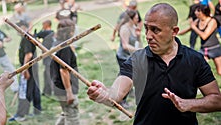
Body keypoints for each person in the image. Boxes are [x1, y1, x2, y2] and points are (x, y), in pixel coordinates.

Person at [87, 3, 221, 125]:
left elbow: (216, 100)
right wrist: (103, 94)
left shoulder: (195, 59)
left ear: (174, 31)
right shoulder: (137, 60)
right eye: (146, 28)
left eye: (155, 30)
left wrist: (188, 104)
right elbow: (116, 94)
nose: (148, 35)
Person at [9, 21, 42, 122]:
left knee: (24, 91)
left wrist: (24, 69)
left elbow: (29, 55)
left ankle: (21, 114)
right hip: (32, 67)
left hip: (28, 68)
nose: (18, 31)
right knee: (34, 88)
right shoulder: (29, 37)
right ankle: (37, 110)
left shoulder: (26, 39)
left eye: (19, 28)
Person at [50, 19, 80, 125]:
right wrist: (69, 93)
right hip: (65, 88)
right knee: (72, 118)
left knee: (66, 113)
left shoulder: (57, 43)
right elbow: (63, 71)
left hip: (58, 87)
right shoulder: (64, 47)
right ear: (70, 32)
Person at [181, 4, 221, 75]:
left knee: (220, 71)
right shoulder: (198, 20)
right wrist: (176, 33)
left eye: (198, 11)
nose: (196, 13)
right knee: (195, 68)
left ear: (203, 12)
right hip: (203, 49)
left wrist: (194, 27)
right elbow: (189, 29)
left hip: (214, 49)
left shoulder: (212, 21)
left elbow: (204, 36)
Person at [114, 10, 141, 108]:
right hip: (123, 56)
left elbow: (137, 43)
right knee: (125, 76)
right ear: (131, 18)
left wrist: (138, 36)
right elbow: (125, 46)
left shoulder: (133, 27)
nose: (138, 20)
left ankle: (121, 93)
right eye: (136, 18)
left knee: (127, 76)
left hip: (130, 56)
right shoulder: (124, 29)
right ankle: (121, 100)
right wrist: (138, 50)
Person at [34, 20, 55, 96]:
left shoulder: (47, 32)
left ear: (47, 25)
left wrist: (37, 32)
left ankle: (55, 91)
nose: (42, 26)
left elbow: (35, 35)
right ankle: (47, 91)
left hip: (48, 57)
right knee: (46, 74)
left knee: (48, 74)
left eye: (43, 24)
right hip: (47, 57)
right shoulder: (51, 33)